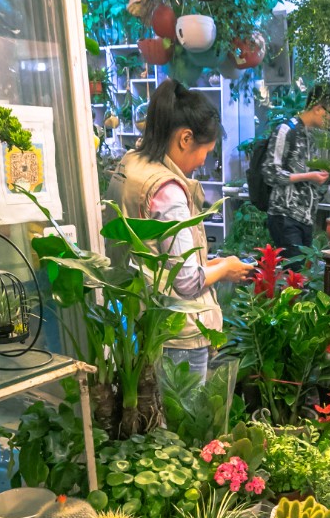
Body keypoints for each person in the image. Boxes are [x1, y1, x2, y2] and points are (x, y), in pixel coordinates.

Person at [106, 80, 253, 381]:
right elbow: (186, 282)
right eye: (206, 152)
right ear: (185, 138)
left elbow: (153, 255)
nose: (203, 162)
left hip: (144, 319)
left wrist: (210, 265)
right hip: (178, 333)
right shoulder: (167, 190)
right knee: (184, 423)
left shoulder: (131, 164)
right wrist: (225, 268)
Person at [261, 82, 330, 261]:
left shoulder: (313, 135)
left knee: (303, 277)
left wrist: (319, 175)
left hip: (306, 218)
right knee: (295, 275)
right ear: (319, 108)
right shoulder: (286, 130)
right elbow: (270, 172)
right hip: (285, 215)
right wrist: (309, 176)